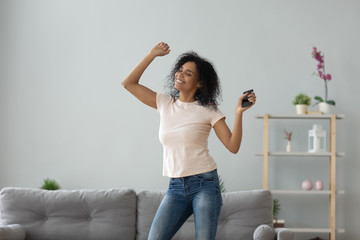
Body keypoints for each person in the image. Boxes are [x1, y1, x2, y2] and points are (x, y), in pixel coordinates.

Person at [122, 42, 256, 240]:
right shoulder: (164, 103)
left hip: (205, 184)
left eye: (188, 73)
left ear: (200, 83)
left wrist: (238, 113)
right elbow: (129, 84)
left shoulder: (208, 110)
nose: (180, 74)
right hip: (175, 187)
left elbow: (232, 146)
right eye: (180, 70)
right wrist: (151, 55)